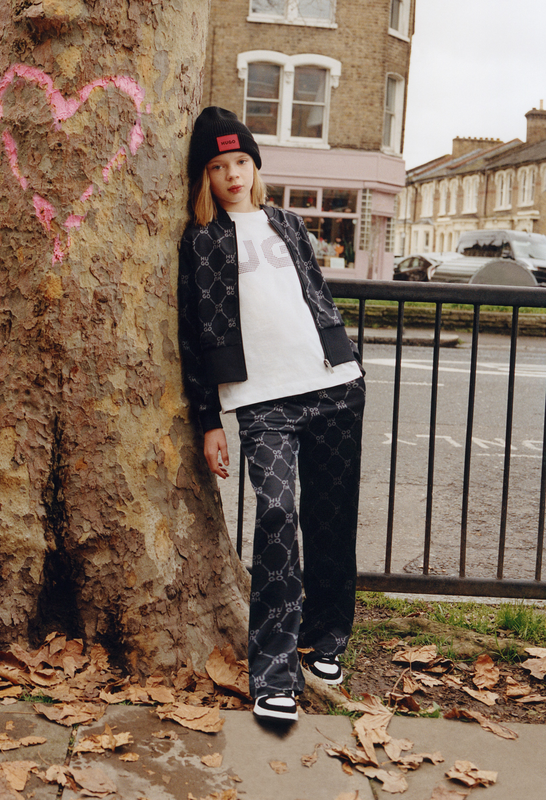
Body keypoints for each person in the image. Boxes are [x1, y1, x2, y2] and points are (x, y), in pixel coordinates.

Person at [178, 107, 365, 723]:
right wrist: (208, 419)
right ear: (204, 177)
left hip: (333, 384)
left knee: (332, 518)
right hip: (261, 402)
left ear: (254, 165)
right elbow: (194, 335)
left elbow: (315, 296)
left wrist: (346, 356)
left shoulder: (288, 222)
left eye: (239, 162)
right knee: (279, 513)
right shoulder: (201, 240)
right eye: (217, 166)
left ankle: (328, 639)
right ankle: (274, 671)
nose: (231, 174)